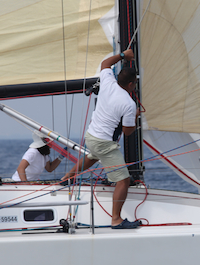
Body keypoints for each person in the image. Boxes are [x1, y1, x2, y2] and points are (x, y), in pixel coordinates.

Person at [60, 49, 141, 229]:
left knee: (93, 155)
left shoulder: (108, 82)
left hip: (91, 136)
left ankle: (67, 178)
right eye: (135, 83)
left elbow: (105, 64)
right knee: (123, 180)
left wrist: (123, 55)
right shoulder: (129, 104)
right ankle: (116, 220)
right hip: (104, 143)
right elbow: (128, 132)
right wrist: (135, 117)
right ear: (130, 84)